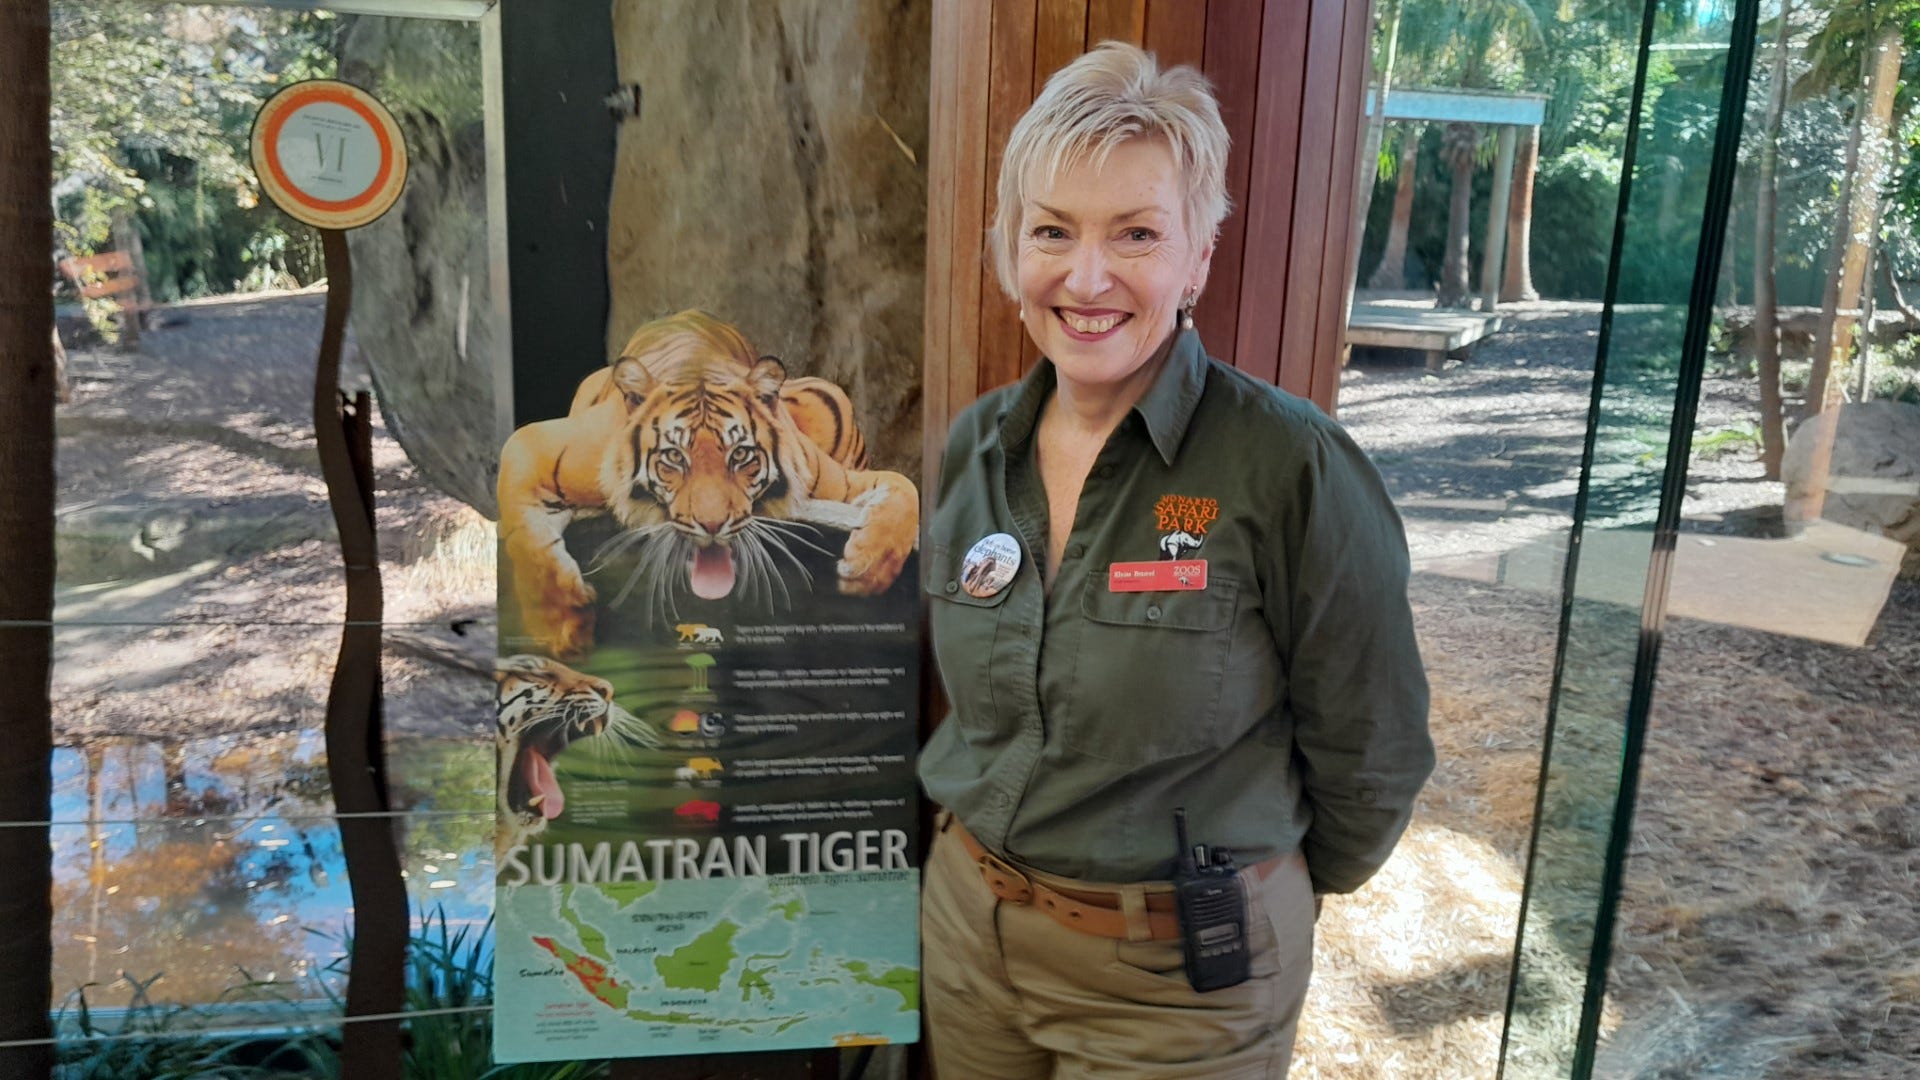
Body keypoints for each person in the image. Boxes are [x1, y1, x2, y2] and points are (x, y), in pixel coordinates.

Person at [918, 43, 1433, 1079]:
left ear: (1198, 258)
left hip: (1182, 990)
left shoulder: (1290, 467)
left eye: (1137, 234)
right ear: (1010, 250)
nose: (1087, 277)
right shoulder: (975, 448)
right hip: (972, 941)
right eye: (1052, 231)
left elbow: (1372, 751)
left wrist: (1267, 893)